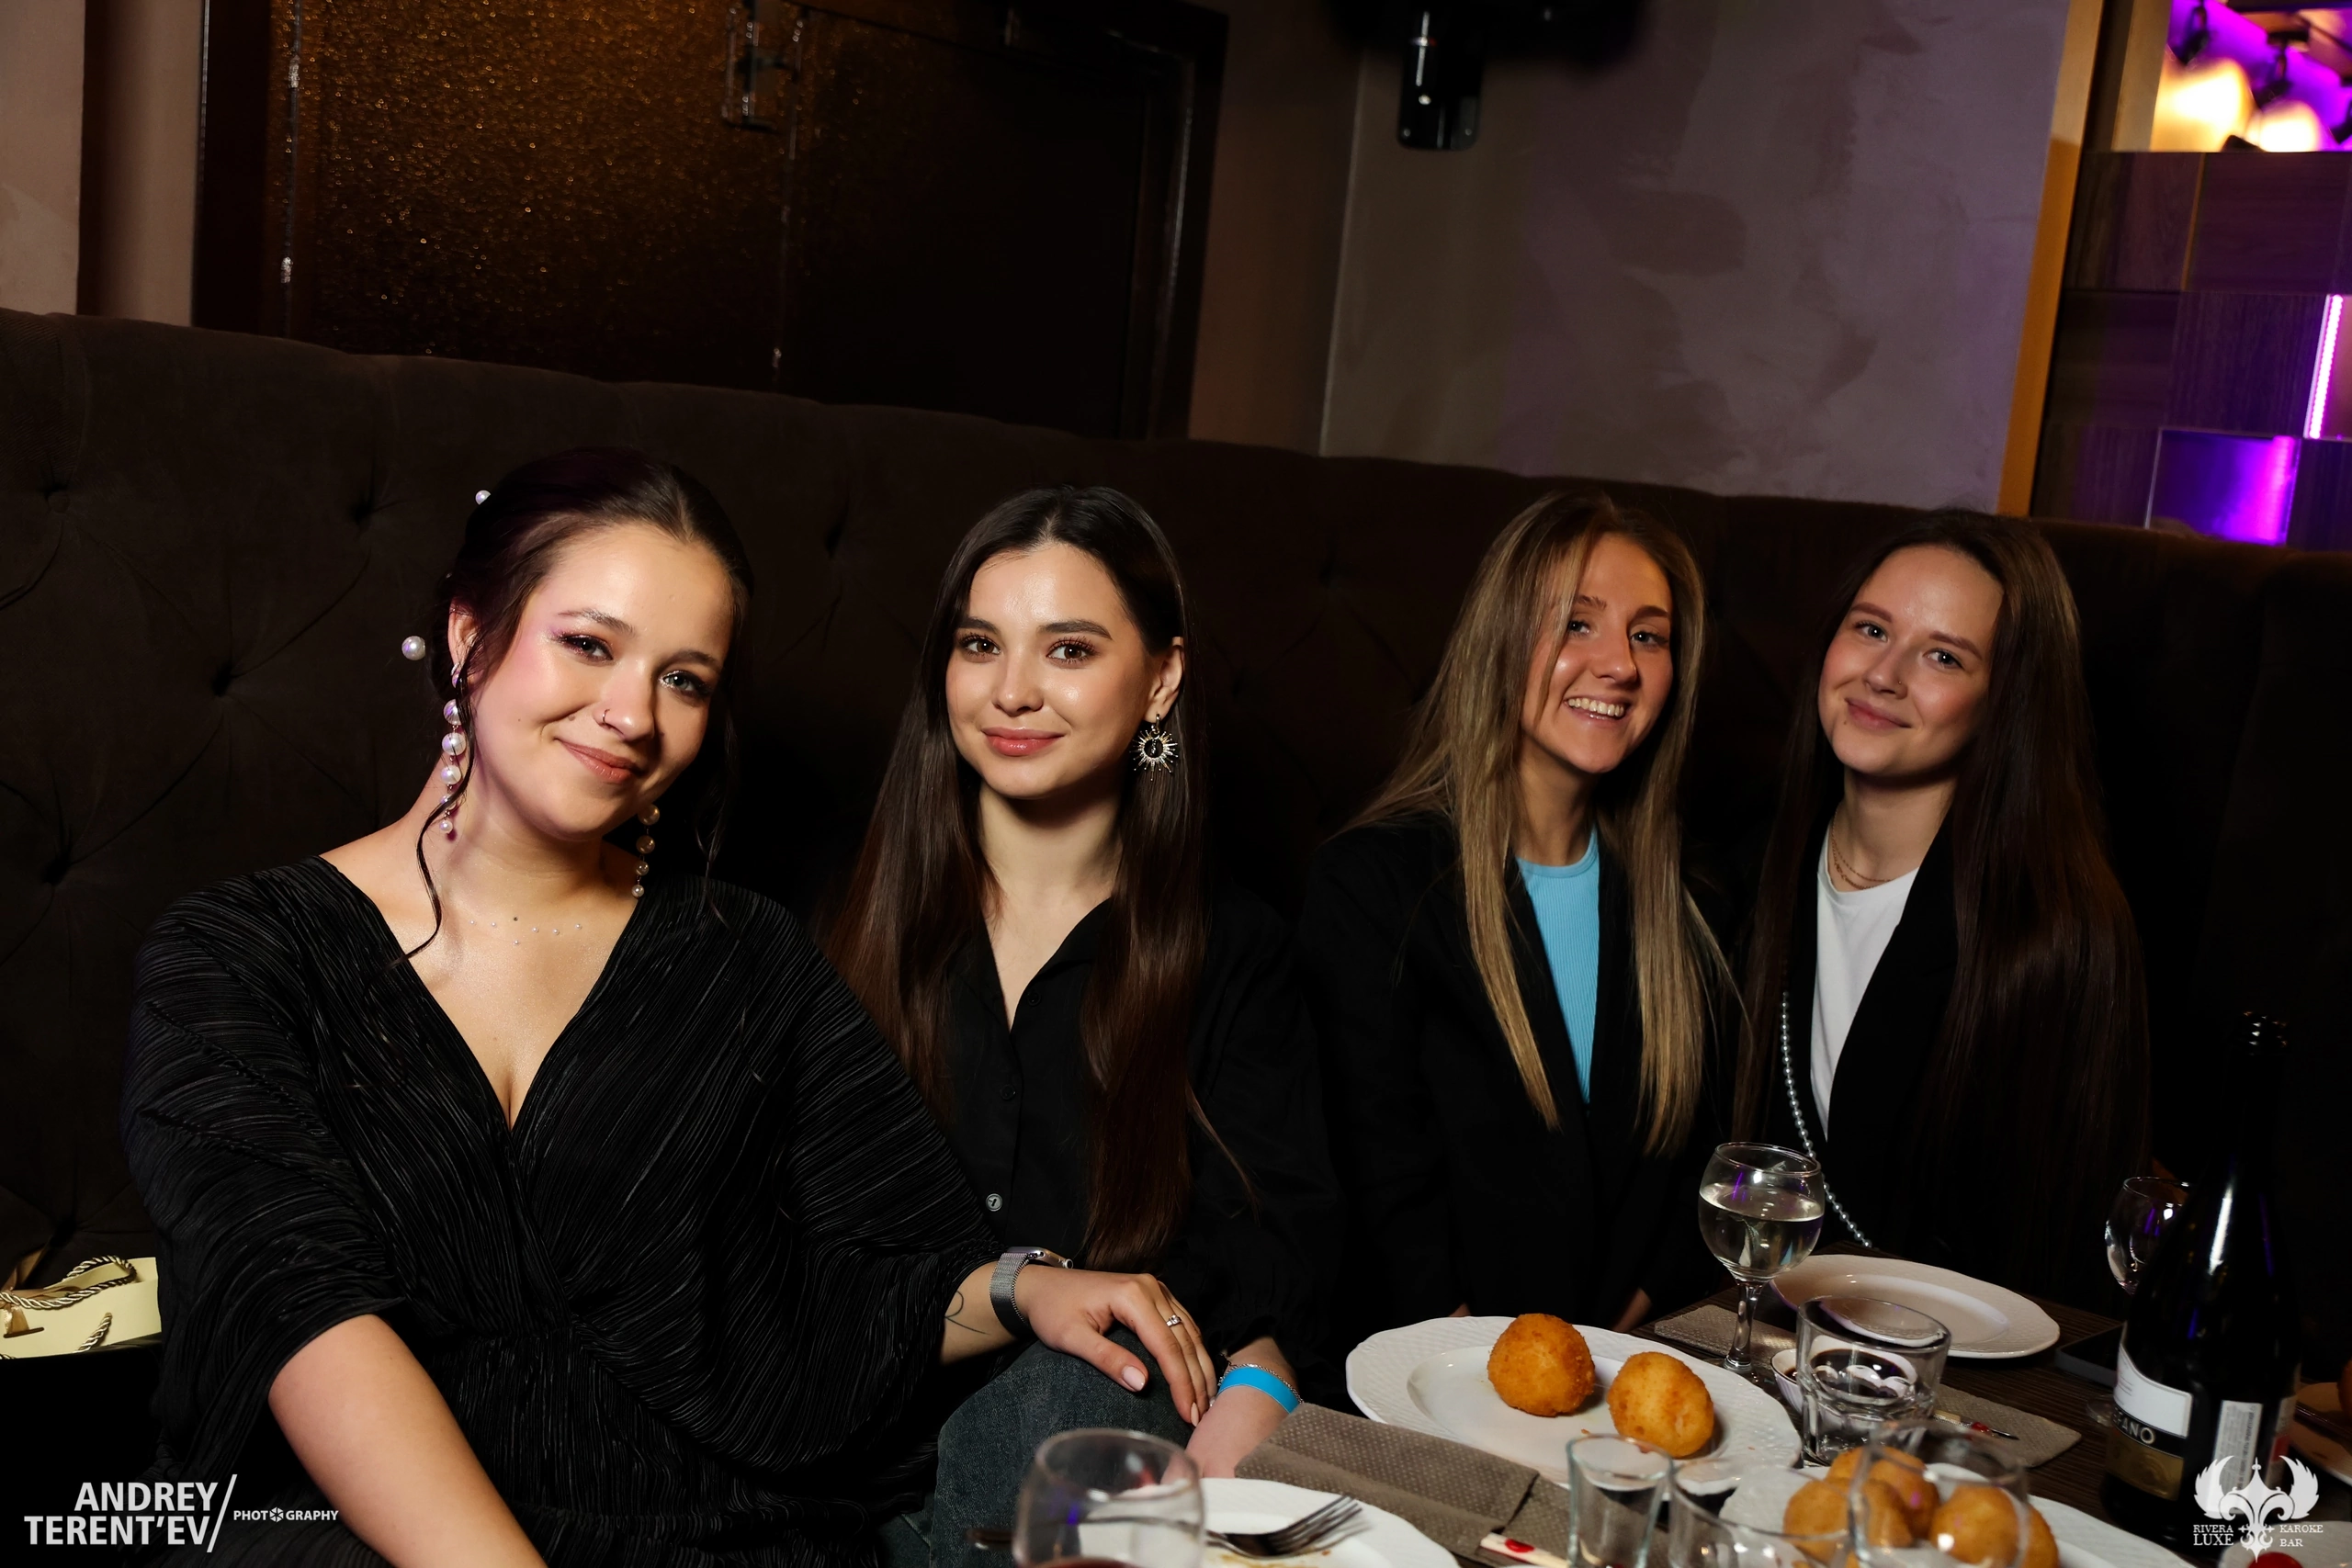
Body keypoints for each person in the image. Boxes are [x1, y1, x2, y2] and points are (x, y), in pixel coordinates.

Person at [119, 451, 1221, 1568]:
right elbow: (300, 1310)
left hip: (705, 1534)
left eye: (684, 680)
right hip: (360, 1536)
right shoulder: (236, 956)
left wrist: (1024, 1286)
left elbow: (874, 1286)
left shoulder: (741, 954)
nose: (630, 714)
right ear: (469, 635)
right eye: (588, 645)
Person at [824, 486, 1340, 1560]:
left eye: (1068, 650)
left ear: (1160, 680)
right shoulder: (840, 929)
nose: (1012, 691)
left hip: (1079, 1456)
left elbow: (1274, 1244)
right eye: (980, 645)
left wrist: (1256, 1372)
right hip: (845, 1446)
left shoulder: (1234, 949)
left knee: (1067, 1399)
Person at [1295, 491, 1732, 1357]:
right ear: (1499, 639)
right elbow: (1373, 1182)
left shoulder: (1695, 905)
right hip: (1419, 1381)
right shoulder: (1371, 886)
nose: (1620, 664)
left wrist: (1613, 1348)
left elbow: (1700, 1169)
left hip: (1617, 1375)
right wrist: (1488, 1381)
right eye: (1577, 623)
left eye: (1649, 636)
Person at [1731, 512, 2149, 1305]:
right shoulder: (1745, 868)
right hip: (1745, 1337)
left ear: (2005, 701)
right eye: (1871, 628)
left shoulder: (2060, 934)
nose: (1883, 675)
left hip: (1955, 1366)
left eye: (1943, 655)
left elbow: (2062, 1272)